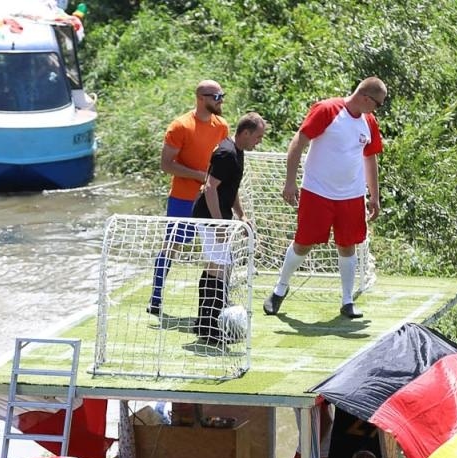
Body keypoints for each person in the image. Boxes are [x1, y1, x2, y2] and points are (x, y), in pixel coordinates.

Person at [262, 77, 388, 321]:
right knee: (303, 243)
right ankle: (280, 289)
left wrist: (374, 195)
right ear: (365, 98)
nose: (378, 109)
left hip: (351, 195)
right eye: (378, 104)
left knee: (348, 245)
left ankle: (347, 300)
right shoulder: (327, 109)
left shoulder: (369, 121)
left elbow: (370, 158)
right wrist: (290, 181)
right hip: (317, 192)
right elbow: (298, 142)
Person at [147, 81, 230, 317]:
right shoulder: (180, 126)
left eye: (222, 96)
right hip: (183, 199)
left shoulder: (222, 126)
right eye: (216, 96)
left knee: (219, 250)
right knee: (172, 246)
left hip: (210, 199)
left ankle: (219, 300)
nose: (220, 100)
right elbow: (166, 164)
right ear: (201, 98)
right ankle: (156, 296)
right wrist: (198, 176)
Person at [191, 111, 266, 344]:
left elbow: (229, 189)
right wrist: (219, 223)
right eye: (258, 137)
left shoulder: (238, 151)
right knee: (220, 265)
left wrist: (241, 215)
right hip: (209, 217)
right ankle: (209, 326)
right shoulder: (226, 153)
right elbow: (210, 188)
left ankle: (206, 322)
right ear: (245, 133)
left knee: (221, 264)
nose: (259, 142)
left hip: (218, 216)